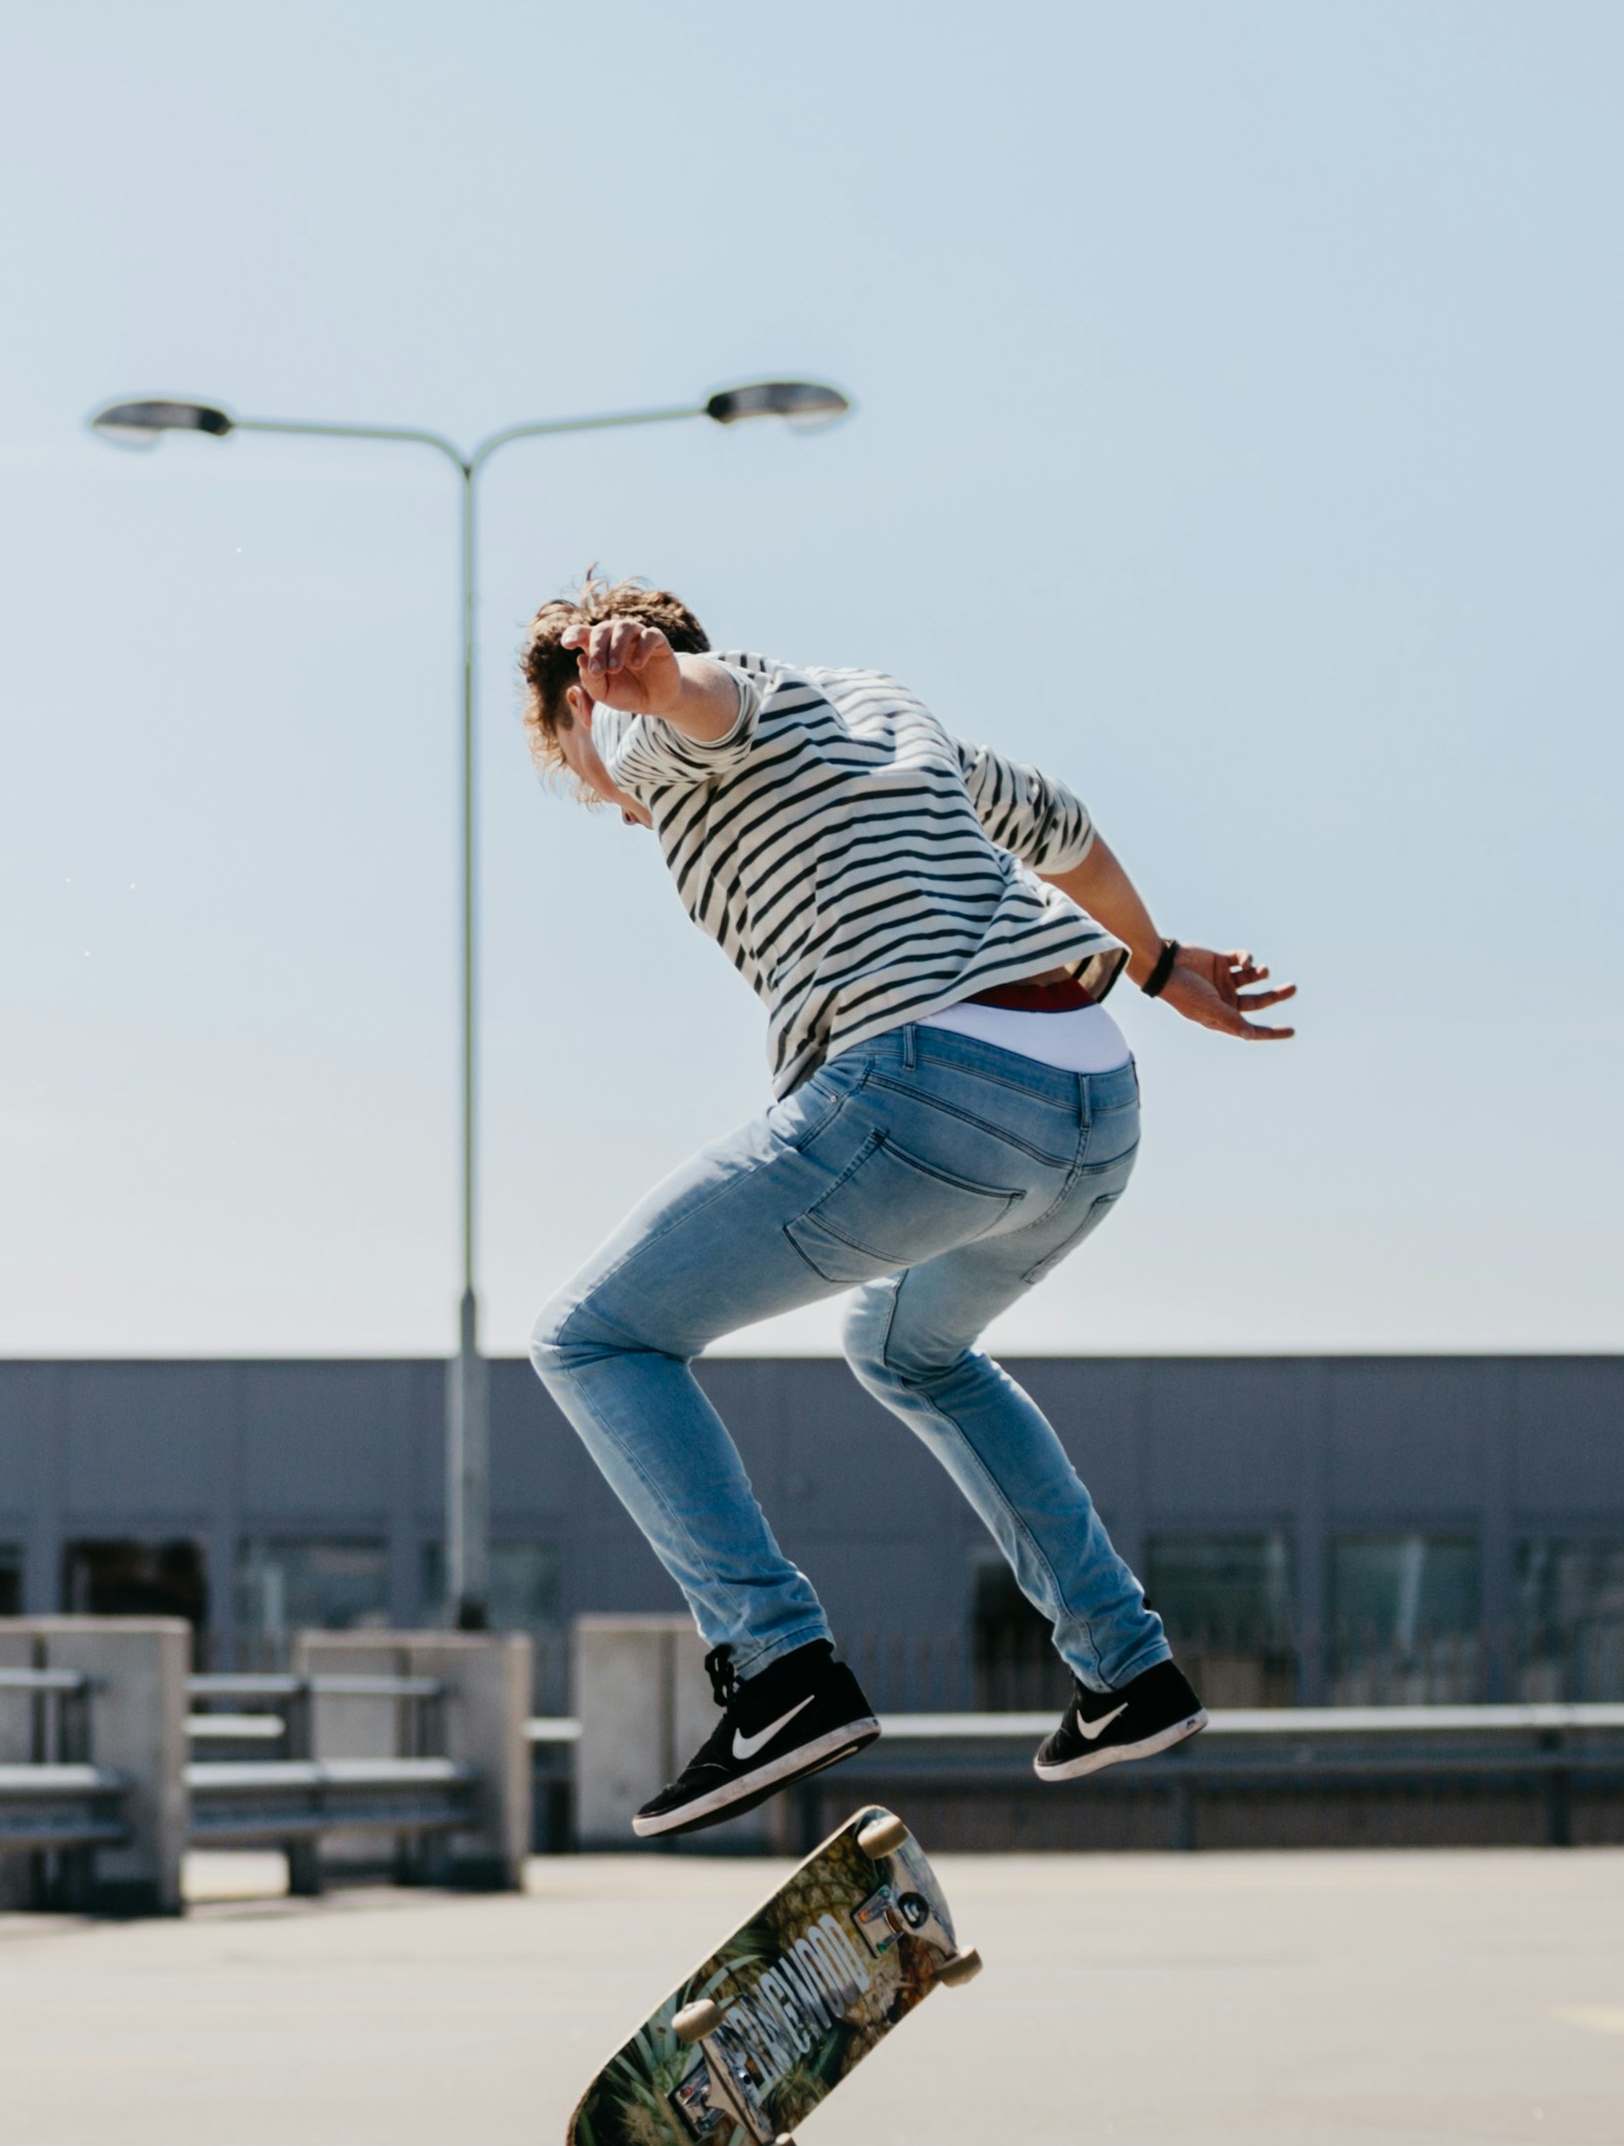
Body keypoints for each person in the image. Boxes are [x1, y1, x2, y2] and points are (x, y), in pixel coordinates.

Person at [519, 581, 1295, 1838]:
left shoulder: (678, 724)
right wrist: (1154, 962)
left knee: (592, 1336)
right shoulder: (881, 709)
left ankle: (780, 1669)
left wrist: (642, 684)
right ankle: (1123, 1665)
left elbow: (701, 707)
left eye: (579, 763)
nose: (606, 795)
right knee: (904, 1346)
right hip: (1092, 1096)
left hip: (931, 1095)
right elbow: (1061, 826)